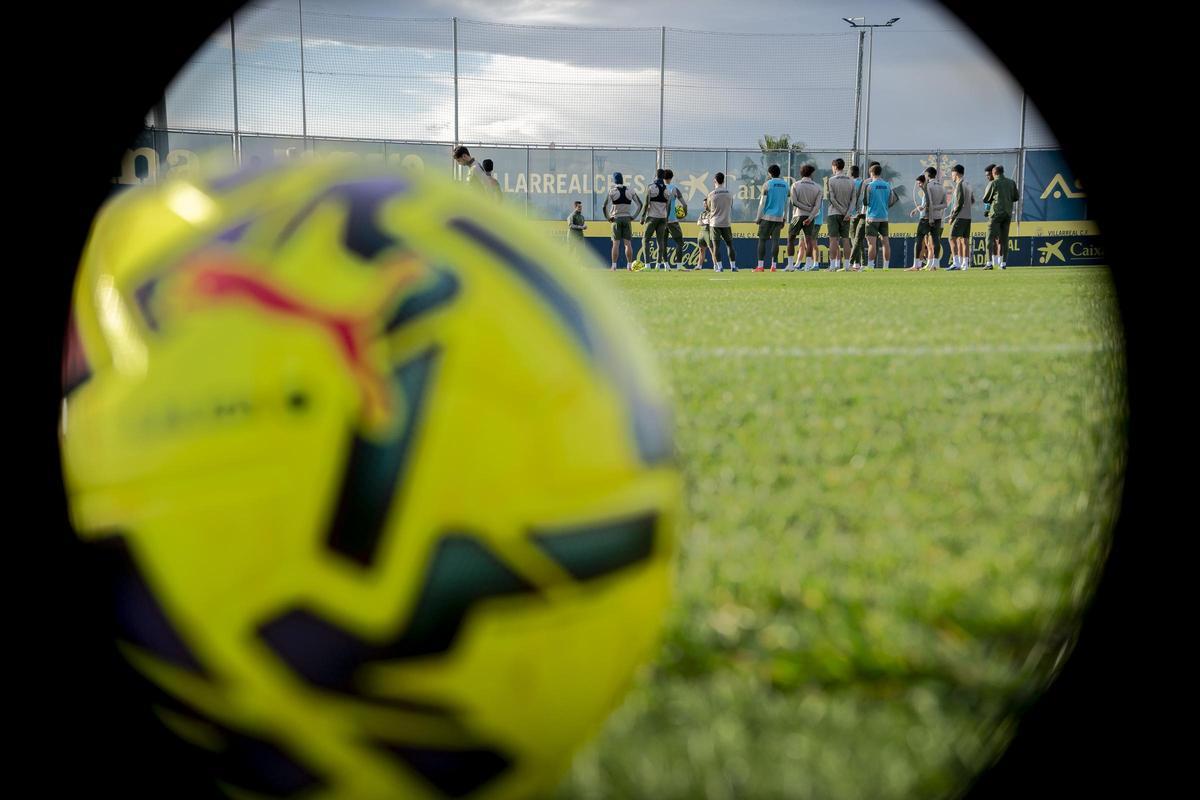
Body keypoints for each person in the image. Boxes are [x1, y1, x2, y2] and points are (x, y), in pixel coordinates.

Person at [602, 171, 644, 271]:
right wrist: (634, 216)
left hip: (616, 219)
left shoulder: (612, 191)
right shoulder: (630, 191)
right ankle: (629, 265)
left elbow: (604, 206)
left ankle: (614, 266)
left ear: (614, 180)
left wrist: (608, 218)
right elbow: (640, 204)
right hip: (627, 219)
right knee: (628, 244)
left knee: (615, 244)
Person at [863, 163, 900, 269]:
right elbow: (892, 200)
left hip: (872, 218)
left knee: (872, 243)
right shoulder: (887, 185)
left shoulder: (869, 186)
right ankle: (886, 266)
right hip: (884, 217)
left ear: (871, 173)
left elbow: (865, 202)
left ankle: (870, 266)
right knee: (885, 242)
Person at [982, 164, 1018, 269]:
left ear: (995, 173)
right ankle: (1003, 264)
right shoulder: (1011, 182)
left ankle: (989, 263)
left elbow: (985, 198)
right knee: (1004, 239)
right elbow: (1016, 197)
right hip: (1007, 214)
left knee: (989, 238)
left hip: (995, 214)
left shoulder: (994, 183)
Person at [786, 163, 821, 271]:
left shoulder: (795, 185)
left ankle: (791, 265)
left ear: (801, 173)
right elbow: (817, 206)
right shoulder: (818, 187)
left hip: (798, 215)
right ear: (811, 174)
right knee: (809, 240)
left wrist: (805, 208)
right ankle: (808, 265)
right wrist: (810, 216)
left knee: (791, 239)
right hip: (810, 217)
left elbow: (794, 202)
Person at [755, 164, 789, 271]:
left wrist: (758, 217)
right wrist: (784, 218)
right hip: (779, 217)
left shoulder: (767, 184)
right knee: (776, 241)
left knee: (762, 240)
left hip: (766, 217)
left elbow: (762, 202)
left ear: (769, 173)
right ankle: (773, 266)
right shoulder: (786, 185)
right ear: (779, 173)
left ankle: (760, 266)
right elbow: (787, 203)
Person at [824, 157, 855, 272]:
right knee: (846, 239)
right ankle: (846, 266)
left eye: (832, 166)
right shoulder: (851, 180)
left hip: (834, 213)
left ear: (835, 167)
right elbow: (854, 199)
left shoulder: (831, 180)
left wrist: (842, 211)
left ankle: (832, 266)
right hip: (846, 215)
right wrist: (848, 212)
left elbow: (831, 198)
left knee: (833, 240)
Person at [641, 168, 673, 271]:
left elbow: (646, 204)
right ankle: (658, 265)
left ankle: (647, 265)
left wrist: (642, 216)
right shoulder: (667, 190)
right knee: (660, 241)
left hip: (652, 217)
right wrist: (666, 218)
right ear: (663, 177)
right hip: (663, 218)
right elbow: (669, 207)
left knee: (645, 240)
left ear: (656, 175)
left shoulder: (650, 187)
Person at [945, 164, 974, 270]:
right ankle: (965, 264)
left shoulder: (960, 184)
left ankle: (956, 263)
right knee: (964, 240)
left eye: (952, 173)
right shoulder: (968, 184)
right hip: (968, 216)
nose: (951, 176)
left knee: (951, 238)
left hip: (960, 216)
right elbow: (972, 200)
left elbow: (959, 202)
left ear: (956, 173)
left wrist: (952, 216)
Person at [707, 172, 738, 272]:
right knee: (730, 245)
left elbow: (708, 207)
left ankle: (720, 267)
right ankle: (733, 266)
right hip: (726, 222)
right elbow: (731, 205)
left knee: (716, 246)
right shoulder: (729, 193)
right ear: (724, 180)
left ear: (715, 181)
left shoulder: (711, 194)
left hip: (715, 223)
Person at [663, 169, 688, 270]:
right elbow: (684, 204)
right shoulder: (674, 189)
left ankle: (666, 265)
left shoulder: (659, 188)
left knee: (663, 243)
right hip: (672, 220)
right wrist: (684, 214)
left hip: (661, 220)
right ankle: (679, 265)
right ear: (671, 177)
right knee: (679, 242)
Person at [923, 166, 947, 269]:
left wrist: (930, 209)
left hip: (931, 218)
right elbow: (945, 204)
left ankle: (934, 264)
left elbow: (928, 204)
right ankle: (931, 263)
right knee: (931, 242)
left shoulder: (928, 186)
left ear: (928, 175)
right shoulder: (942, 187)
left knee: (932, 242)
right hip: (940, 218)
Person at [908, 174, 932, 271]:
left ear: (923, 182)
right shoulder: (926, 191)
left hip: (925, 219)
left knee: (920, 241)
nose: (919, 185)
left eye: (919, 183)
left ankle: (918, 264)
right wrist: (916, 210)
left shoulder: (926, 191)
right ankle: (928, 264)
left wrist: (919, 209)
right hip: (926, 218)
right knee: (925, 242)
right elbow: (923, 205)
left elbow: (926, 205)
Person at [847, 164, 867, 271]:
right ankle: (859, 263)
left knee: (854, 239)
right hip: (863, 213)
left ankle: (857, 263)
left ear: (850, 173)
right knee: (859, 239)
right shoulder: (864, 183)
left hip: (853, 214)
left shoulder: (851, 183)